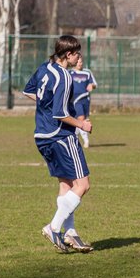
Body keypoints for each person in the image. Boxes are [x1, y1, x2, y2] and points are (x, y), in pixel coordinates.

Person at [24, 35, 95, 254]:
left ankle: (70, 232)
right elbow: (61, 114)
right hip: (60, 136)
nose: (79, 57)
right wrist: (81, 125)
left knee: (66, 185)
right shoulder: (65, 77)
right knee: (82, 185)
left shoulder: (45, 68)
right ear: (68, 55)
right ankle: (54, 227)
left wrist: (45, 104)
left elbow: (28, 91)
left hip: (42, 136)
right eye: (77, 53)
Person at [70, 53, 96, 149]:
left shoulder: (87, 73)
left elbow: (94, 84)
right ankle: (85, 141)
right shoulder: (70, 73)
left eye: (81, 62)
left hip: (85, 100)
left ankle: (76, 139)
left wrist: (91, 85)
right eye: (78, 62)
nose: (80, 63)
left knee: (84, 120)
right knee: (80, 119)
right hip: (75, 101)